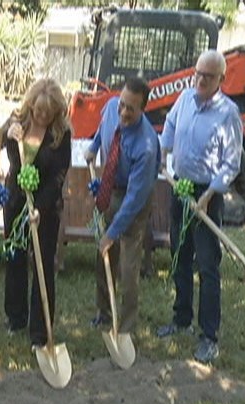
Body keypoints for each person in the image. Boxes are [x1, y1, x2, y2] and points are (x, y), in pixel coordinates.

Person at [157, 50, 242, 363]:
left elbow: (231, 163)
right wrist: (164, 152)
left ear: (221, 78)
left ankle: (209, 336)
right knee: (179, 255)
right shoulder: (184, 99)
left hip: (208, 195)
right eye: (198, 73)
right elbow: (169, 123)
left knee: (207, 265)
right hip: (181, 187)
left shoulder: (228, 113)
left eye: (208, 76)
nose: (201, 80)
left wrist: (206, 199)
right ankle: (181, 320)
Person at [0, 78, 71, 347]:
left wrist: (41, 209)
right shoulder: (17, 121)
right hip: (15, 202)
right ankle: (16, 317)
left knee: (43, 264)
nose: (42, 117)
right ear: (30, 105)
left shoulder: (61, 134)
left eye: (48, 113)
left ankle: (40, 330)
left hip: (44, 208)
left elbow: (58, 176)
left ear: (56, 112)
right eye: (38, 111)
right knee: (15, 258)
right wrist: (4, 132)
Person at [84, 77, 160, 337]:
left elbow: (134, 201)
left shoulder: (146, 146)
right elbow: (103, 127)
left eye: (131, 108)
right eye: (123, 105)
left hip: (133, 202)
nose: (124, 112)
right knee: (103, 257)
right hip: (109, 189)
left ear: (143, 109)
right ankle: (103, 313)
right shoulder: (111, 106)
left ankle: (125, 329)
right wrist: (93, 147)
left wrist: (112, 233)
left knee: (128, 268)